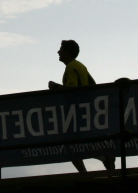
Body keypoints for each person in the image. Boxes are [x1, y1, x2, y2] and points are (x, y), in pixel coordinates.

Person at [48, 40, 115, 175]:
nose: (58, 52)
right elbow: (93, 85)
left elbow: (72, 90)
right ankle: (103, 158)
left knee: (70, 146)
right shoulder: (80, 66)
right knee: (80, 144)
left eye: (61, 49)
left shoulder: (71, 66)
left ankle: (85, 174)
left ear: (67, 51)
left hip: (75, 112)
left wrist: (55, 86)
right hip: (85, 111)